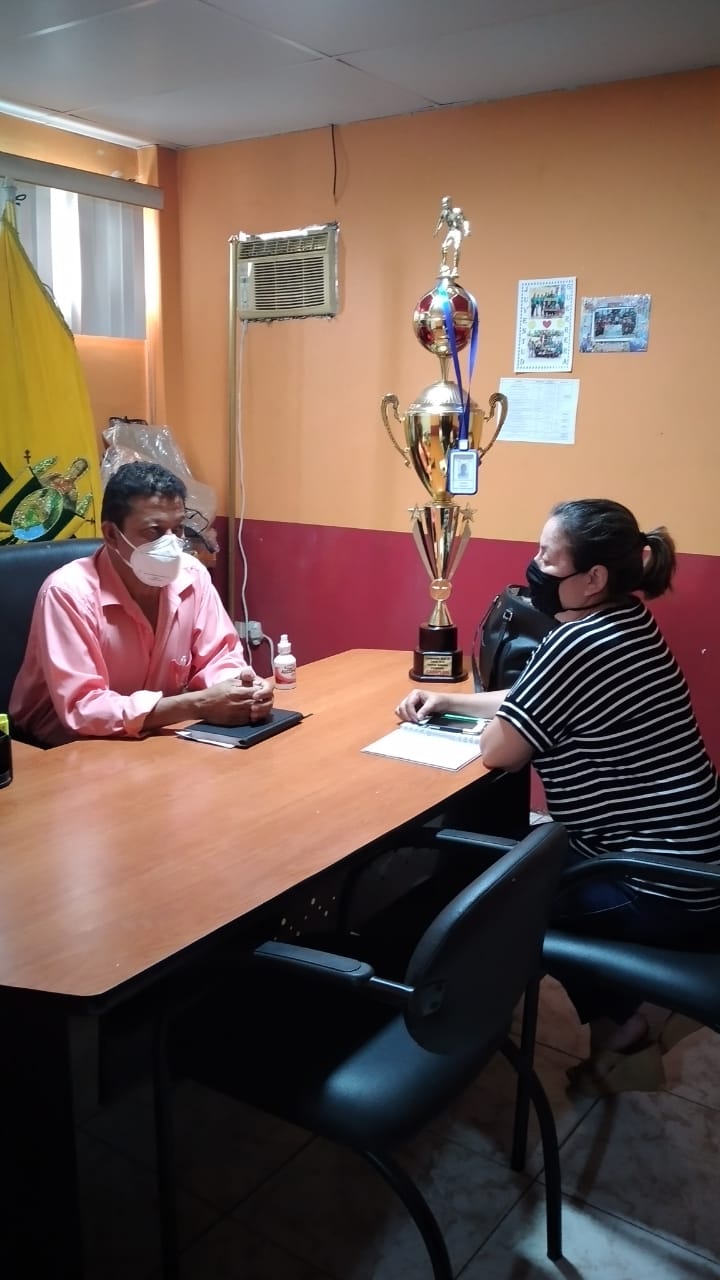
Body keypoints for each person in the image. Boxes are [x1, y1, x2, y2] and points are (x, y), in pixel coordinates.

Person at [396, 498, 720, 1092]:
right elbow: (539, 699)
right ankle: (622, 1033)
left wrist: (483, 719)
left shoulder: (577, 641)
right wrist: (450, 700)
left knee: (500, 906)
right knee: (532, 868)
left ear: (593, 578)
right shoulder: (626, 619)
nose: (535, 567)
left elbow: (501, 749)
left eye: (548, 557)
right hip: (695, 863)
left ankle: (452, 1037)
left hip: (657, 882)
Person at [10, 461, 273, 746]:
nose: (172, 545)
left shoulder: (191, 575)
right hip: (63, 745)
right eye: (154, 531)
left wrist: (241, 688)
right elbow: (83, 708)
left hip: (153, 733)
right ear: (112, 535)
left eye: (178, 529)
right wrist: (198, 704)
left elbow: (219, 657)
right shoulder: (67, 593)